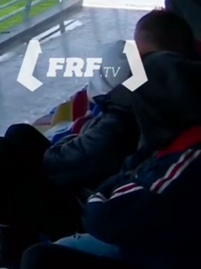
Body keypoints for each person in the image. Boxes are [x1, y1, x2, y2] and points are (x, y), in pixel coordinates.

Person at [0, 39, 140, 269]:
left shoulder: (115, 127)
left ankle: (12, 247)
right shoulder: (131, 111)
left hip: (84, 213)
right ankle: (16, 235)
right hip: (91, 195)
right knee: (19, 134)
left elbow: (56, 163)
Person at [21, 48, 201, 269]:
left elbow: (99, 216)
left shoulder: (179, 169)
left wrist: (117, 183)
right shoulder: (176, 144)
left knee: (39, 258)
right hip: (161, 245)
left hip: (156, 254)